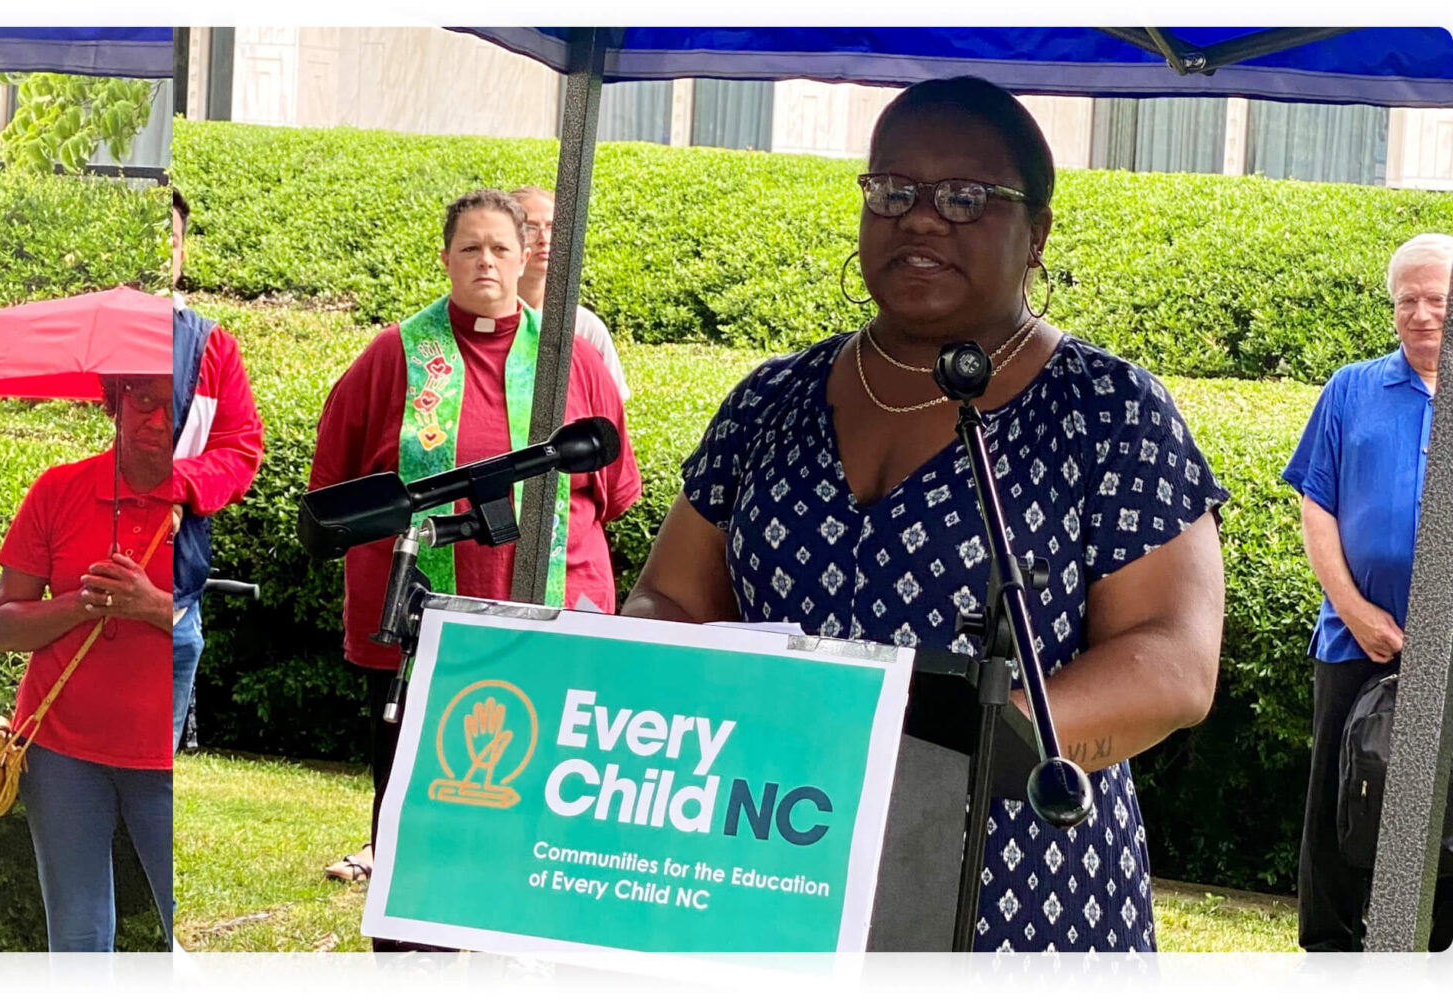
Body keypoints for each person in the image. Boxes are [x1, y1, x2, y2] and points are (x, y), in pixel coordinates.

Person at [622, 77, 1226, 953]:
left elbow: (1171, 661)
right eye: (893, 191)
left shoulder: (1110, 410)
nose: (920, 219)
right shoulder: (770, 400)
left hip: (1016, 883)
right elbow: (672, 601)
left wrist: (932, 765)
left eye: (965, 197)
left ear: (1038, 234)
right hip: (769, 857)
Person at [306, 188, 642, 890]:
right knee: (415, 804)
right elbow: (336, 486)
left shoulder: (571, 360)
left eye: (500, 248)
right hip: (420, 619)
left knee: (540, 802)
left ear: (525, 258)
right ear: (445, 258)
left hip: (549, 615)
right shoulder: (394, 355)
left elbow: (611, 492)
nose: (486, 262)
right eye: (470, 248)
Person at [1282, 232, 1453, 952]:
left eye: (1438, 299)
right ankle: (1329, 958)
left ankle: (1416, 956)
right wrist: (1355, 609)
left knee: (1426, 814)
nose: (1421, 313)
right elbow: (1316, 502)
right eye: (1407, 300)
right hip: (1356, 642)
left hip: (1442, 650)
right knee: (1342, 804)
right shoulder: (1351, 389)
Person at [0, 374, 181, 951]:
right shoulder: (58, 490)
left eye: (175, 406)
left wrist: (151, 605)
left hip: (167, 756)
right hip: (61, 751)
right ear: (114, 400)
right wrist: (80, 603)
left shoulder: (206, 500)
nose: (157, 419)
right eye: (143, 399)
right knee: (76, 935)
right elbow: (3, 626)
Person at [162, 187, 265, 741]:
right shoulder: (87, 332)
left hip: (177, 600)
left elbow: (240, 447)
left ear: (182, 252)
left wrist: (175, 487)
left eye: (169, 240)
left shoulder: (211, 346)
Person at [510, 185, 630, 403]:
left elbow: (611, 411)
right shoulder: (482, 322)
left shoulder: (585, 326)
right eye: (529, 228)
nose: (544, 239)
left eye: (553, 227)